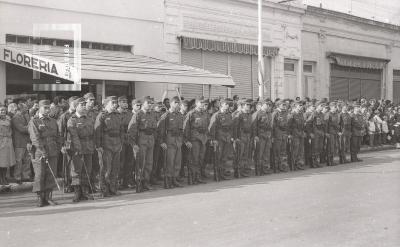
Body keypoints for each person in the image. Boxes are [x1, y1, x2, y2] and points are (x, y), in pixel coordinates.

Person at [28, 100, 61, 207]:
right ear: (39, 108)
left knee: (51, 174)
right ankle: (40, 198)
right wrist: (42, 151)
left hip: (52, 150)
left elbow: (58, 136)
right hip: (39, 151)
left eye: (49, 108)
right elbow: (35, 138)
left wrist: (58, 148)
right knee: (40, 174)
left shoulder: (52, 121)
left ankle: (48, 197)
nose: (47, 110)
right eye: (45, 107)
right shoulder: (34, 121)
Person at [67, 98, 95, 202]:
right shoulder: (72, 120)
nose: (83, 106)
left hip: (88, 146)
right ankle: (77, 192)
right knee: (76, 170)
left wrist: (93, 146)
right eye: (81, 105)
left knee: (87, 169)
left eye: (84, 105)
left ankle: (85, 191)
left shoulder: (89, 118)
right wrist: (79, 148)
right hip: (77, 148)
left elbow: (93, 134)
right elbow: (74, 136)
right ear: (76, 107)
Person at [95, 96, 123, 197]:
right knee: (106, 168)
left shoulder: (118, 115)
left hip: (117, 143)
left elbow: (121, 131)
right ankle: (104, 190)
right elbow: (97, 132)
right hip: (106, 144)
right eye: (113, 103)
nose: (115, 105)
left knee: (115, 168)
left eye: (116, 103)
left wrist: (121, 143)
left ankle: (113, 188)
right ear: (106, 104)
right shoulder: (102, 116)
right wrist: (98, 146)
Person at [128, 97, 158, 192]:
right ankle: (139, 183)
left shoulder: (153, 114)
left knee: (149, 162)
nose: (150, 105)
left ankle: (146, 182)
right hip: (142, 138)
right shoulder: (138, 114)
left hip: (150, 139)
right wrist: (133, 144)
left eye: (151, 103)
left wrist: (155, 138)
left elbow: (155, 128)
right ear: (143, 104)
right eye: (148, 103)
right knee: (141, 162)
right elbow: (131, 130)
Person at [158, 96, 184, 188]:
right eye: (176, 103)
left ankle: (174, 179)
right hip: (169, 141)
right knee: (169, 162)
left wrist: (182, 140)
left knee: (177, 162)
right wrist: (162, 142)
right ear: (171, 103)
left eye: (179, 103)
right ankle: (168, 181)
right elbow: (160, 130)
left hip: (178, 141)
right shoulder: (166, 115)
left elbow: (182, 130)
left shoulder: (180, 115)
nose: (178, 105)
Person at [183, 97, 210, 184]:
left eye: (204, 103)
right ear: (196, 103)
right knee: (193, 159)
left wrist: (207, 137)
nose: (202, 105)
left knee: (200, 158)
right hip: (194, 139)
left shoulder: (205, 114)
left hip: (203, 139)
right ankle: (192, 177)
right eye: (201, 103)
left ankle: (198, 177)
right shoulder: (191, 114)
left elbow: (207, 127)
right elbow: (186, 128)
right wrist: (186, 140)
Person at [208, 98, 235, 180]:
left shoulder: (229, 114)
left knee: (224, 157)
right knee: (218, 157)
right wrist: (213, 139)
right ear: (221, 105)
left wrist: (231, 136)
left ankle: (222, 173)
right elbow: (212, 128)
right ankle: (217, 175)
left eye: (228, 104)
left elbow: (231, 127)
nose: (227, 106)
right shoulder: (216, 115)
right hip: (219, 138)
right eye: (225, 104)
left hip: (227, 137)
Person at [11, 101, 32, 183]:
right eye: (25, 107)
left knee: (27, 160)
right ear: (21, 108)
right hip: (19, 143)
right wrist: (31, 127)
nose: (27, 108)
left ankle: (26, 176)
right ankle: (17, 177)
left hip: (27, 142)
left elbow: (26, 127)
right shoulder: (15, 117)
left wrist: (29, 127)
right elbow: (21, 129)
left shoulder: (26, 115)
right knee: (19, 161)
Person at [252, 99, 273, 174]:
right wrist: (255, 136)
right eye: (266, 105)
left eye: (269, 105)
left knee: (266, 153)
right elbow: (254, 126)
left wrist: (271, 135)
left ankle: (265, 169)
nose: (268, 106)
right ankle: (258, 170)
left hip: (267, 135)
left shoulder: (269, 113)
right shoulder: (257, 113)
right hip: (260, 135)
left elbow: (271, 126)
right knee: (259, 153)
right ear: (262, 105)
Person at [117, 96, 133, 189]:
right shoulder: (117, 114)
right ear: (119, 103)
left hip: (129, 139)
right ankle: (119, 181)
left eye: (126, 102)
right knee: (121, 162)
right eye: (123, 102)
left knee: (129, 161)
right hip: (120, 140)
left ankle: (126, 182)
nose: (125, 103)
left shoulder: (130, 114)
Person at [271, 100, 290, 172]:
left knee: (283, 151)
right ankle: (276, 167)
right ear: (278, 105)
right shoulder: (275, 113)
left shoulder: (285, 113)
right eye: (283, 105)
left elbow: (287, 124)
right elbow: (272, 125)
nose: (284, 106)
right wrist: (272, 136)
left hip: (284, 134)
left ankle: (282, 166)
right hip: (277, 135)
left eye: (285, 105)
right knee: (276, 151)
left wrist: (287, 133)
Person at [0, 105, 16, 185]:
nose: (3, 112)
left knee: (6, 161)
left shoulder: (8, 119)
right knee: (1, 161)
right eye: (1, 110)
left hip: (8, 142)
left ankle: (4, 177)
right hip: (1, 141)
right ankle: (1, 178)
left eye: (4, 110)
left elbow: (11, 130)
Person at [287, 101, 305, 170]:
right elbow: (288, 125)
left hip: (300, 134)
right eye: (299, 106)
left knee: (301, 150)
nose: (301, 107)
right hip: (294, 135)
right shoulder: (292, 114)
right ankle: (293, 165)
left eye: (301, 106)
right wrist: (289, 134)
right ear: (295, 107)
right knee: (295, 150)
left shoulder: (301, 114)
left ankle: (299, 164)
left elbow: (303, 125)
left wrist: (303, 132)